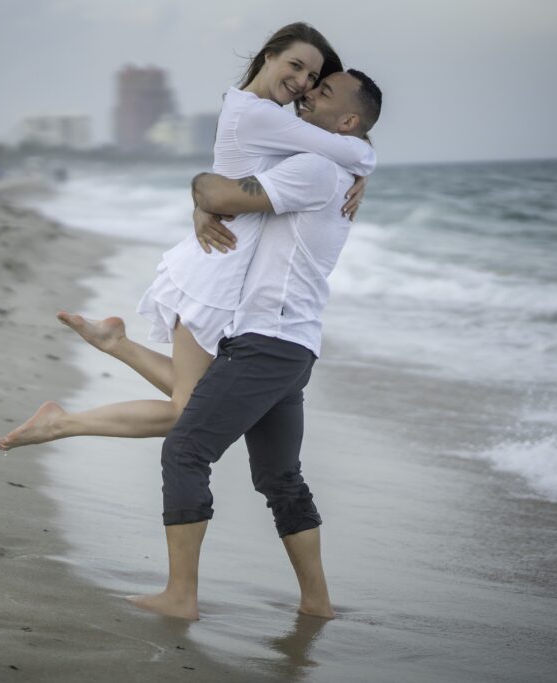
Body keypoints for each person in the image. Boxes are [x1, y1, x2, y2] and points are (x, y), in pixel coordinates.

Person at [0, 23, 375, 452]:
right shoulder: (259, 114)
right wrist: (367, 163)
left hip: (220, 262)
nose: (303, 82)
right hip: (215, 269)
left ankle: (112, 345)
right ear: (268, 55)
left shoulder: (253, 110)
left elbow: (308, 153)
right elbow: (348, 147)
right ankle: (60, 422)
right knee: (187, 411)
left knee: (197, 399)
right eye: (296, 65)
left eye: (312, 77)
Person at [130, 68, 384, 620]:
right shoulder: (330, 167)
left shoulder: (316, 168)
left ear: (346, 121)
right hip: (292, 346)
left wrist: (201, 194)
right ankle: (317, 604)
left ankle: (181, 597)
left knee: (186, 449)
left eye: (323, 91)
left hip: (268, 341)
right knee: (278, 477)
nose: (308, 92)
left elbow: (219, 191)